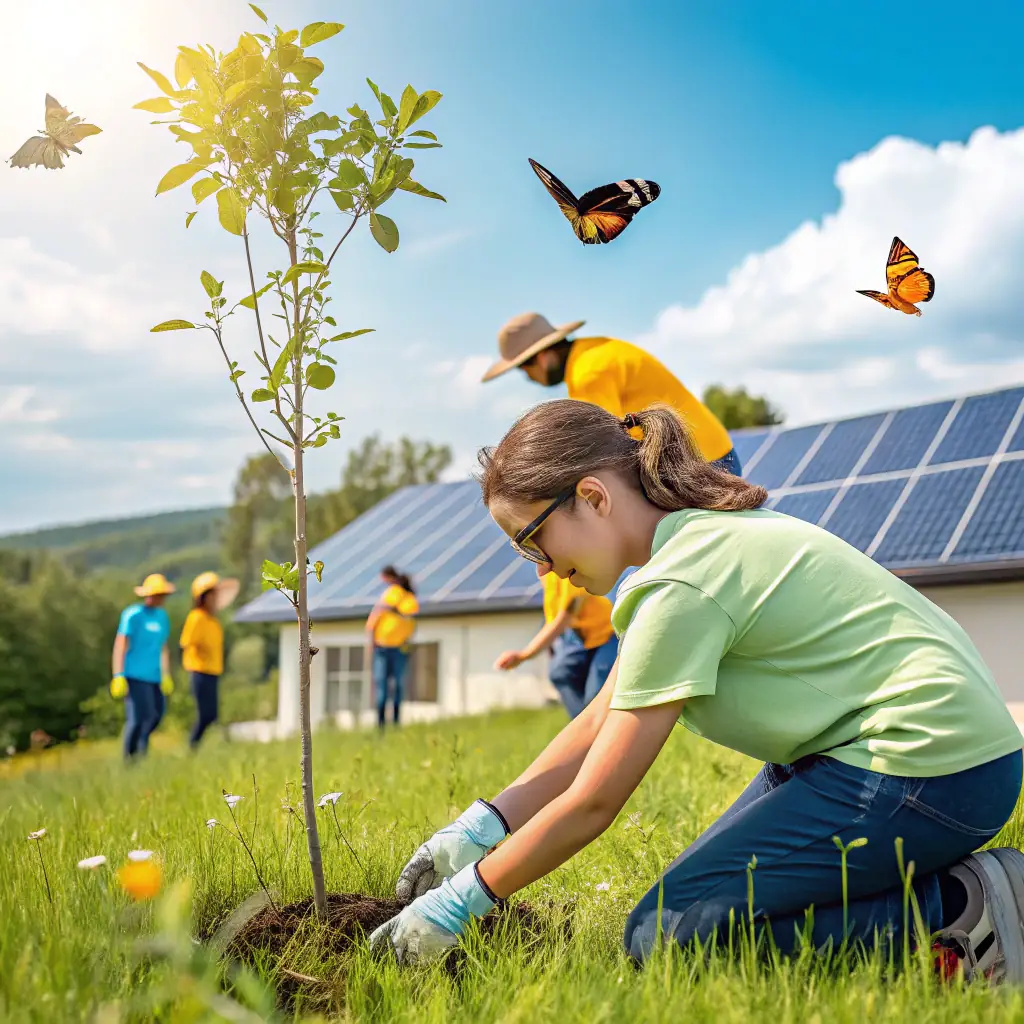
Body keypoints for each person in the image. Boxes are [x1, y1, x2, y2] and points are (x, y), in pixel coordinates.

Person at [370, 398, 1024, 982]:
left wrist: (464, 899)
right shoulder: (695, 541)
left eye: (532, 540)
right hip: (901, 755)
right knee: (694, 909)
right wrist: (484, 825)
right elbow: (604, 714)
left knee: (669, 937)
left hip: (928, 769)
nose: (542, 568)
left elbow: (596, 801)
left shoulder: (679, 584)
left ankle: (963, 913)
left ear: (593, 497)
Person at [481, 311, 742, 475]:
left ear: (544, 356)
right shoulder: (593, 351)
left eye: (524, 367)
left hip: (699, 467)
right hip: (710, 455)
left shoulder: (588, 374)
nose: (527, 377)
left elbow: (601, 449)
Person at [495, 572, 617, 719]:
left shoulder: (568, 573)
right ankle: (583, 726)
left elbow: (563, 619)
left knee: (595, 696)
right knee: (560, 672)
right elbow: (551, 622)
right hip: (581, 640)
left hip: (608, 635)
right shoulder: (549, 577)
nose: (538, 569)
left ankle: (598, 724)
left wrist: (524, 655)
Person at [110, 573, 176, 761]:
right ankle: (130, 758)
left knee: (156, 716)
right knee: (139, 718)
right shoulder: (133, 615)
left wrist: (166, 674)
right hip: (135, 675)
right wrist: (118, 674)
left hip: (154, 676)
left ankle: (141, 749)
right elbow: (120, 645)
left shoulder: (162, 617)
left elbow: (163, 647)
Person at [180, 571, 240, 750]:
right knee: (206, 714)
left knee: (212, 714)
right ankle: (192, 746)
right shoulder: (196, 618)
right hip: (200, 671)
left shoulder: (213, 621)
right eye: (212, 595)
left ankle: (201, 746)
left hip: (213, 671)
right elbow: (186, 643)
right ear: (203, 597)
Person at [366, 566, 419, 730]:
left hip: (399, 648)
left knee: (396, 686)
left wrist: (392, 609)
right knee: (383, 686)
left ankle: (394, 723)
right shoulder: (391, 594)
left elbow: (409, 613)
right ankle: (381, 724)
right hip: (382, 647)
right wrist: (372, 639)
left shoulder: (403, 596)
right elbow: (375, 618)